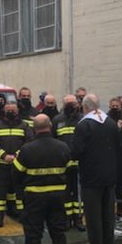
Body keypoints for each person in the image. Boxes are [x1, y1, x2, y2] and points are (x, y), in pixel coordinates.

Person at [13, 114, 71, 244]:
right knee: (59, 234)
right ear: (50, 127)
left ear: (33, 129)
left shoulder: (26, 149)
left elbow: (16, 175)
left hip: (34, 199)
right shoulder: (63, 147)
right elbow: (70, 170)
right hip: (58, 198)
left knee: (33, 236)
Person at [72, 94, 119, 244]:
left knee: (93, 219)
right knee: (108, 218)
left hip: (91, 178)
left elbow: (76, 151)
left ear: (84, 108)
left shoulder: (84, 125)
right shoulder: (111, 124)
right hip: (110, 176)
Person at [0, 102, 33, 227]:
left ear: (17, 111)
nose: (10, 112)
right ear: (4, 111)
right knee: (1, 192)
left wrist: (17, 155)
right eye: (8, 110)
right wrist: (4, 155)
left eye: (13, 110)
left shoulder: (24, 125)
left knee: (19, 191)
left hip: (18, 165)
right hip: (1, 164)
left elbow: (29, 141)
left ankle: (22, 215)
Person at [52, 94, 85, 231]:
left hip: (79, 163)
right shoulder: (57, 120)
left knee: (78, 194)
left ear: (77, 104)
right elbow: (52, 141)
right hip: (62, 164)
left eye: (72, 103)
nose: (70, 106)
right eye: (67, 103)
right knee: (64, 193)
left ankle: (78, 218)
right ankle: (66, 218)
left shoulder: (83, 119)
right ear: (63, 104)